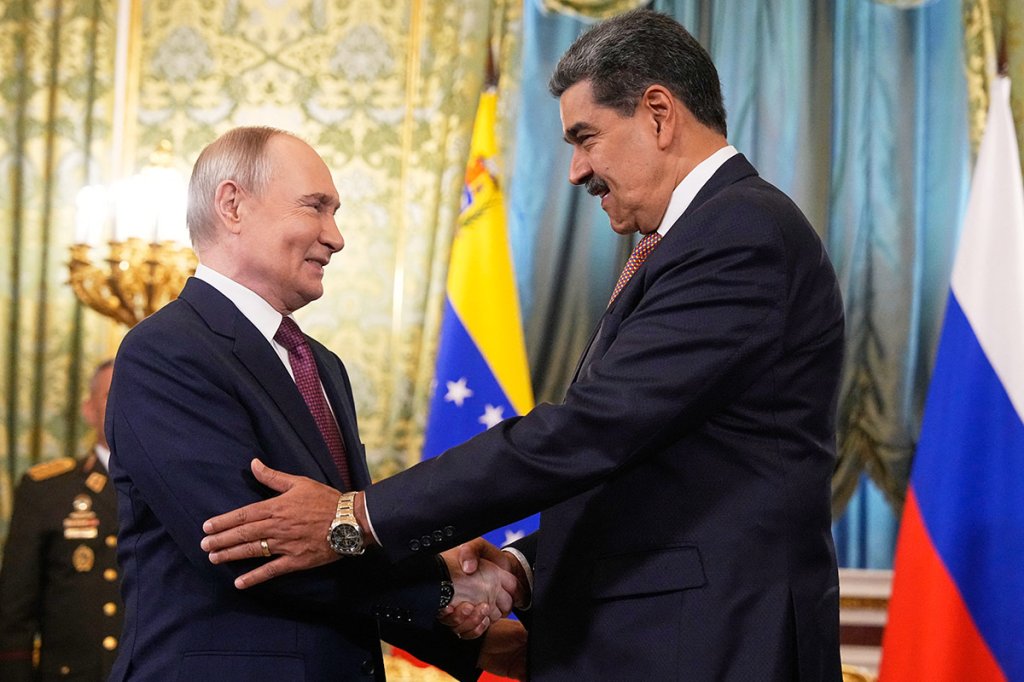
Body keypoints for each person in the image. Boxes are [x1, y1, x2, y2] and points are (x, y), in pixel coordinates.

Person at [202, 9, 845, 680]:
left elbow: (596, 430)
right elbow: (659, 471)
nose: (576, 171)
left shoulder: (739, 232)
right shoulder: (694, 239)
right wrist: (523, 566)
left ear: (658, 113)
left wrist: (359, 516)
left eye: (586, 137)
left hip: (711, 643)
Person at [105, 126, 521, 681]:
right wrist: (441, 583)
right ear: (232, 205)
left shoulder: (321, 365)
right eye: (315, 208)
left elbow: (335, 535)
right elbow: (256, 549)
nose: (336, 236)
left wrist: (470, 644)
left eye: (336, 212)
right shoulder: (166, 351)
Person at [0, 360, 123, 681]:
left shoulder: (174, 483)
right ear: (88, 410)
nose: (126, 402)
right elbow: (15, 612)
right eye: (112, 394)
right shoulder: (47, 490)